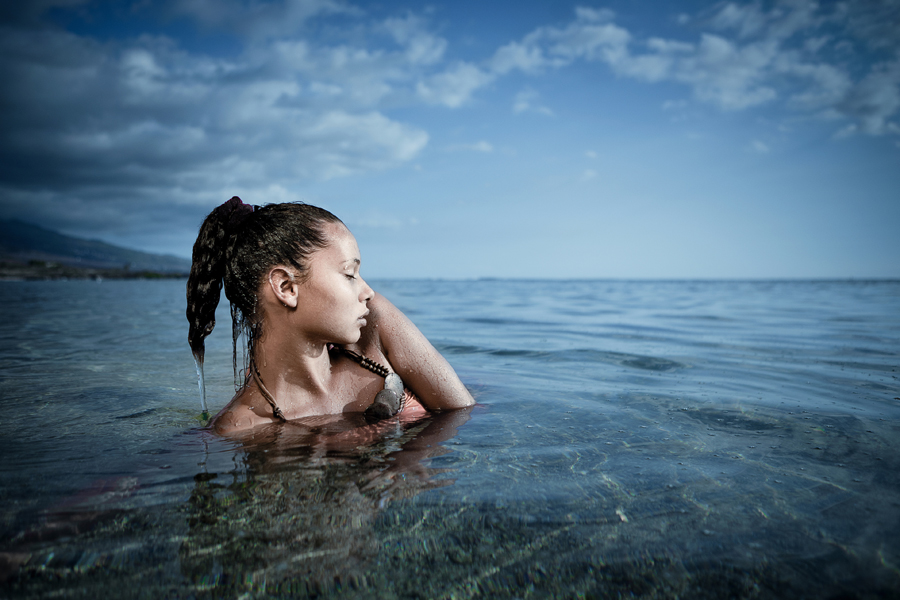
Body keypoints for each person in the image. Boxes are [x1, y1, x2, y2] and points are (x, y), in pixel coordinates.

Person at [186, 197, 474, 434]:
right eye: (350, 274)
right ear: (286, 287)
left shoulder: (373, 324)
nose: (368, 291)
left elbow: (464, 410)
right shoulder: (242, 428)